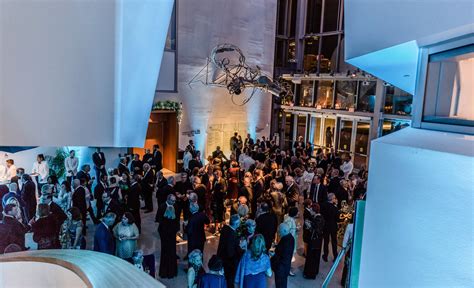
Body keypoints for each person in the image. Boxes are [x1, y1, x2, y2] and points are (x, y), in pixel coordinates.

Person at [217, 214, 243, 288]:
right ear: (236, 224)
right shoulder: (232, 234)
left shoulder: (226, 229)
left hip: (223, 257)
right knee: (230, 280)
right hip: (229, 262)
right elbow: (230, 252)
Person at [158, 202, 179, 278]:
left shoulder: (163, 222)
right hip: (171, 240)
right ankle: (171, 272)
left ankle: (165, 272)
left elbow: (159, 229)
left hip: (165, 240)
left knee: (166, 255)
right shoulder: (174, 222)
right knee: (171, 255)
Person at [303, 204, 325, 279]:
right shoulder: (318, 217)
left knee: (312, 257)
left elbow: (317, 230)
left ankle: (310, 274)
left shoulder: (318, 218)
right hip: (317, 241)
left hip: (314, 241)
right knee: (315, 256)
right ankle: (314, 271)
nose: (310, 211)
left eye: (311, 210)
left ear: (314, 211)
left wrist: (309, 226)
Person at [271, 223, 294, 288]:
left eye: (279, 231)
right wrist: (277, 246)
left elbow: (284, 258)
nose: (278, 233)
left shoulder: (286, 241)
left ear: (284, 231)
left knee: (280, 285)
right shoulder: (290, 237)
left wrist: (274, 255)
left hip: (281, 269)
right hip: (285, 268)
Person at [321, 193, 339, 262]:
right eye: (334, 198)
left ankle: (325, 256)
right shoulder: (334, 208)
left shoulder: (323, 205)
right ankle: (335, 256)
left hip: (325, 226)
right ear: (332, 199)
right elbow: (337, 218)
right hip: (333, 227)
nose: (335, 199)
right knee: (334, 242)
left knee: (326, 241)